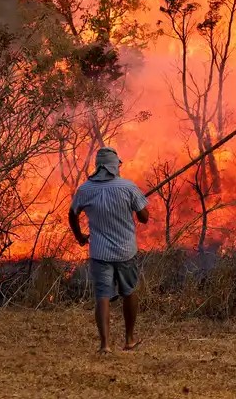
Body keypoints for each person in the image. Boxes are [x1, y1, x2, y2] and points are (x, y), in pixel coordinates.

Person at [68, 146, 150, 354]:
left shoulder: (85, 190)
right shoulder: (127, 187)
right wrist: (136, 205)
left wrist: (79, 236)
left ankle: (105, 345)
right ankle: (129, 339)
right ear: (115, 166)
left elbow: (72, 214)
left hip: (99, 253)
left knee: (102, 296)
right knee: (129, 292)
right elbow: (144, 218)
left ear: (98, 167)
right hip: (125, 252)